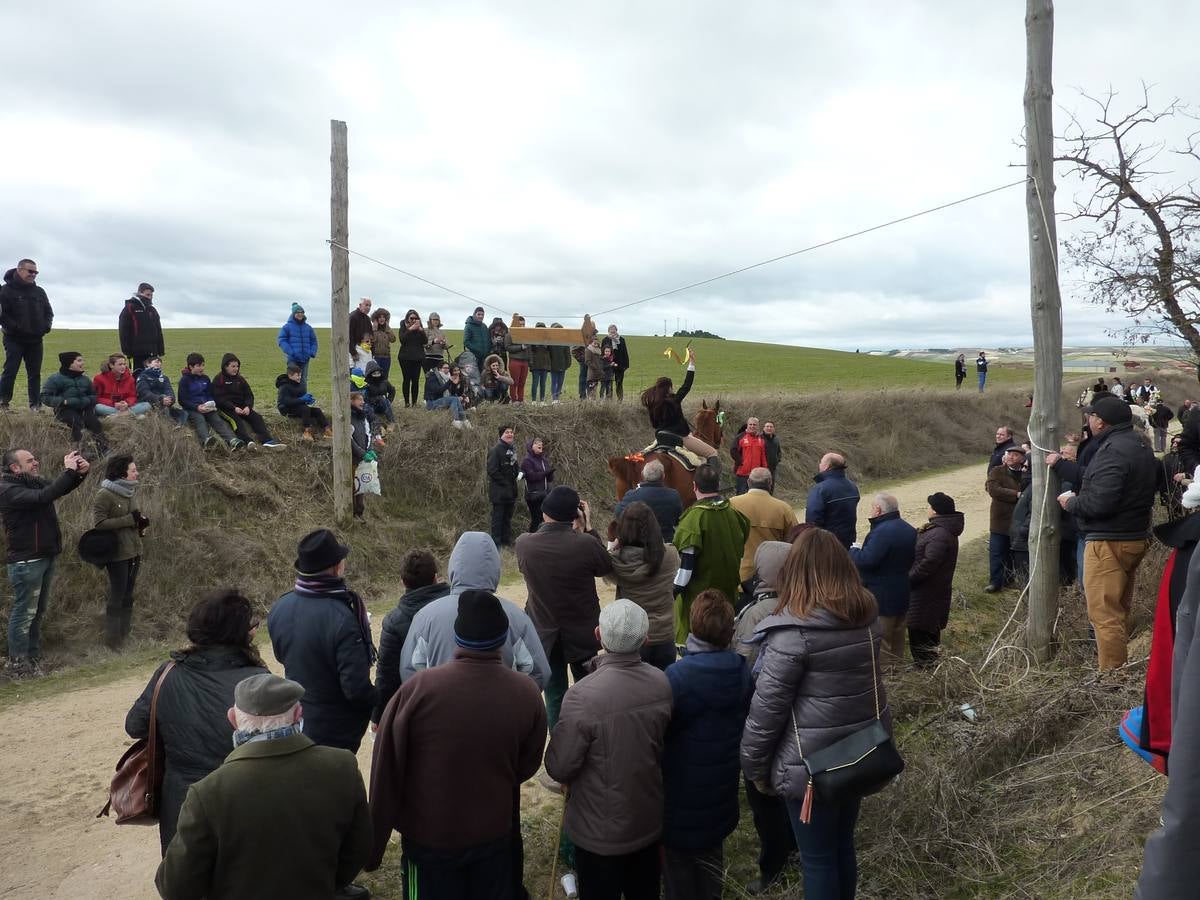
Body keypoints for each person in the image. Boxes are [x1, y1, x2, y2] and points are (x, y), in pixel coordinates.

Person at [741, 529, 893, 900]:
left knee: (818, 859)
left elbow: (766, 712)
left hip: (807, 768)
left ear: (795, 571)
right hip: (858, 752)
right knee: (842, 846)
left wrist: (755, 769)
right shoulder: (866, 618)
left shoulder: (791, 633)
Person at [368, 590, 548, 895]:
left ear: (457, 637)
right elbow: (527, 764)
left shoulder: (418, 690)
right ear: (503, 638)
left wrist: (373, 847)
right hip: (494, 833)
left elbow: (386, 768)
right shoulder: (526, 692)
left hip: (429, 840)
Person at [155, 673, 373, 900]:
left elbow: (175, 887)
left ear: (233, 719)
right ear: (298, 714)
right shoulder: (342, 767)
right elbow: (358, 849)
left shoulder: (208, 792)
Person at [544, 599, 673, 900]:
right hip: (647, 821)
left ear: (598, 635)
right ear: (646, 639)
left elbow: (560, 766)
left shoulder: (581, 695)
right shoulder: (662, 683)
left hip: (597, 835)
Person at [125, 590, 269, 853]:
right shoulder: (258, 680)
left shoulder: (167, 672)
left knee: (184, 871)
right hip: (242, 799)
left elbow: (135, 725)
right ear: (240, 634)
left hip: (182, 801)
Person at [661, 589, 752, 900]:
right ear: (730, 631)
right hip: (720, 789)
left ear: (692, 624)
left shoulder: (677, 676)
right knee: (711, 864)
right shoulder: (740, 670)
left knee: (678, 874)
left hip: (679, 796)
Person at [1057, 394, 1157, 670]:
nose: (1087, 419)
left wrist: (1071, 503)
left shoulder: (1113, 451)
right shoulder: (1138, 444)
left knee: (1104, 614)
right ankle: (1116, 668)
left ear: (1100, 422)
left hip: (1110, 541)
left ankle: (1112, 677)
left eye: (1090, 416)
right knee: (1118, 610)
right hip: (1134, 535)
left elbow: (1099, 503)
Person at [267, 529, 378, 752]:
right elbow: (355, 689)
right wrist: (383, 700)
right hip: (337, 729)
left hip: (298, 718)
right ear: (337, 567)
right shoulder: (342, 617)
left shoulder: (279, 607)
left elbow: (282, 656)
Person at [730, 540, 799, 896]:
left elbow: (743, 665)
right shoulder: (803, 602)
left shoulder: (756, 613)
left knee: (764, 797)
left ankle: (773, 866)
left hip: (761, 715)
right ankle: (797, 847)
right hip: (797, 718)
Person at [399, 531, 550, 688]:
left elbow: (410, 669)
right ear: (495, 567)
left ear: (454, 564)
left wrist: (430, 698)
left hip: (440, 701)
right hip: (501, 702)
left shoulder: (425, 616)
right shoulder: (517, 617)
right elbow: (538, 672)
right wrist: (515, 699)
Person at [516, 485, 613, 727]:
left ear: (544, 512)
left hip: (545, 631)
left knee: (555, 695)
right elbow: (605, 566)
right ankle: (589, 738)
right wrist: (587, 527)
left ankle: (559, 741)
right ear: (575, 514)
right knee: (587, 692)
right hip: (582, 631)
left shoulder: (524, 544)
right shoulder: (585, 544)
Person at [0, 447, 89, 676]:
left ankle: (32, 658)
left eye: (35, 459)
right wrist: (69, 472)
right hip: (26, 562)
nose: (36, 463)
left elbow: (57, 489)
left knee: (37, 611)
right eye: (30, 461)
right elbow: (44, 497)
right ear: (15, 467)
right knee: (24, 613)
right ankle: (17, 664)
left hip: (44, 556)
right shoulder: (8, 490)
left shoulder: (32, 482)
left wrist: (79, 474)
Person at [672, 465, 751, 645]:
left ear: (694, 486)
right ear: (718, 485)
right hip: (728, 597)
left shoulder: (693, 520)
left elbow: (686, 568)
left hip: (700, 603)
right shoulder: (735, 514)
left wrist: (674, 591)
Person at [372, 550, 447, 724]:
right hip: (454, 696)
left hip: (415, 704)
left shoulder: (393, 621)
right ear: (436, 577)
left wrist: (379, 715)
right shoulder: (456, 605)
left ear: (403, 582)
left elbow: (387, 675)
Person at [605, 500, 681, 670]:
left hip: (631, 636)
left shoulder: (615, 562)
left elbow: (601, 563)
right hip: (664, 635)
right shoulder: (670, 555)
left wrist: (612, 547)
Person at [850, 492, 918, 667]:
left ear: (878, 510)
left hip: (881, 594)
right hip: (903, 590)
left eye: (872, 507)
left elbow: (867, 561)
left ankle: (887, 677)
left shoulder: (881, 533)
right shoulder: (909, 529)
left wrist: (854, 551)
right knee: (898, 636)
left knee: (882, 639)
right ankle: (898, 673)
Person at [93, 454, 147, 648]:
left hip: (134, 549)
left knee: (129, 594)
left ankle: (125, 634)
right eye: (133, 470)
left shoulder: (130, 491)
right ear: (122, 473)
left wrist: (140, 523)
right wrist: (129, 520)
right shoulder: (104, 494)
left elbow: (133, 517)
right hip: (116, 553)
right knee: (117, 595)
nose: (136, 473)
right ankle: (113, 641)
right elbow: (99, 524)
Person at [907, 492, 964, 666]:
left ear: (935, 510)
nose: (928, 509)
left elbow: (929, 563)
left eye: (930, 506)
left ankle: (925, 667)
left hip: (927, 592)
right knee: (927, 628)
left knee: (921, 629)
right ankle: (928, 665)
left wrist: (909, 578)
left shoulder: (939, 535)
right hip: (933, 591)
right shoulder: (940, 530)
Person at [640, 348, 720, 465]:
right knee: (712, 453)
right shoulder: (674, 400)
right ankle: (708, 477)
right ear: (669, 388)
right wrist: (691, 363)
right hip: (679, 437)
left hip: (660, 438)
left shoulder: (653, 404)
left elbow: (655, 425)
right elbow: (686, 386)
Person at [731, 468, 798, 602]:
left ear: (748, 482)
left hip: (739, 577)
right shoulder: (783, 509)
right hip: (772, 580)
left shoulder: (732, 504)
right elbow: (795, 542)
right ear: (770, 483)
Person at [0, 258, 53, 410]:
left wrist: (46, 327)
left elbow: (48, 312)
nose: (33, 274)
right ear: (19, 270)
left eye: (36, 272)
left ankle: (35, 405)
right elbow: (3, 315)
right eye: (30, 271)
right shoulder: (5, 290)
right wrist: (16, 328)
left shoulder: (39, 291)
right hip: (14, 339)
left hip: (36, 339)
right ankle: (3, 403)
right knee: (10, 371)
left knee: (34, 373)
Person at [39, 351, 109, 454]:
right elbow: (45, 396)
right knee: (76, 423)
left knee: (95, 423)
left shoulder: (85, 379)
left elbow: (94, 395)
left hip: (84, 408)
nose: (83, 363)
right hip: (65, 410)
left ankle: (104, 449)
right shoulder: (55, 379)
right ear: (69, 363)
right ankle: (81, 451)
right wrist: (63, 401)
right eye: (79, 360)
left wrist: (88, 400)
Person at [212, 353, 286, 448]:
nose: (236, 369)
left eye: (237, 366)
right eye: (233, 366)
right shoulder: (218, 379)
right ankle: (247, 441)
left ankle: (267, 441)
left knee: (257, 418)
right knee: (237, 420)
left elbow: (249, 395)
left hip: (242, 407)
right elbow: (219, 399)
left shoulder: (240, 379)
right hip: (226, 408)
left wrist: (248, 406)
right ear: (225, 367)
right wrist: (233, 408)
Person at [177, 352, 240, 449]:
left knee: (217, 420)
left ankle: (232, 440)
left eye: (203, 365)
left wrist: (211, 403)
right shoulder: (184, 380)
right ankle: (206, 440)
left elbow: (209, 394)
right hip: (192, 408)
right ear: (191, 367)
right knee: (200, 419)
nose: (202, 368)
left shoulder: (205, 378)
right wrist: (197, 407)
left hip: (206, 407)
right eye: (199, 366)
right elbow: (182, 400)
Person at [613, 458, 684, 541]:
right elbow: (678, 520)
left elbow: (618, 513)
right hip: (665, 542)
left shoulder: (631, 495)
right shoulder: (674, 495)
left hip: (640, 543)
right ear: (663, 476)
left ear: (643, 475)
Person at [985, 446, 1025, 592]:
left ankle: (1010, 580)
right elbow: (994, 490)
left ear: (1022, 458)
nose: (1010, 457)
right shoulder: (997, 471)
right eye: (1009, 454)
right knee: (996, 552)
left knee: (1013, 553)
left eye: (1015, 455)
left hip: (1019, 520)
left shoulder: (1026, 473)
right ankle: (995, 582)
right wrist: (1016, 494)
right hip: (1000, 519)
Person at [804, 452, 860, 549]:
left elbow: (812, 520)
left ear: (827, 466)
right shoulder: (852, 487)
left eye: (821, 462)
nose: (819, 464)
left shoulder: (820, 489)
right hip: (848, 541)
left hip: (827, 544)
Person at [276, 364, 332, 441]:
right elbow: (286, 401)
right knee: (305, 409)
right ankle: (307, 432)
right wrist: (302, 400)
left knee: (317, 411)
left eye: (300, 375)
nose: (300, 377)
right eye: (297, 375)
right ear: (290, 376)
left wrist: (307, 400)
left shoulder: (298, 384)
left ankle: (327, 431)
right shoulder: (284, 387)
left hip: (297, 407)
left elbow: (298, 399)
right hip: (286, 409)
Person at [117, 282, 164, 371]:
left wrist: (160, 350)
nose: (149, 297)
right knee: (139, 375)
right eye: (147, 295)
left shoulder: (152, 310)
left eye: (151, 295)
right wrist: (127, 351)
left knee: (154, 375)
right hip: (138, 352)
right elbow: (124, 331)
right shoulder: (130, 308)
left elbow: (158, 330)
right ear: (139, 293)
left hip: (153, 351)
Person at [276, 302, 319, 392]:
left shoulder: (308, 328)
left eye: (302, 312)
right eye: (298, 312)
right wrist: (291, 352)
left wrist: (312, 352)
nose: (300, 314)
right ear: (293, 314)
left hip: (305, 358)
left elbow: (314, 341)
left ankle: (303, 398)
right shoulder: (287, 327)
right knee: (292, 379)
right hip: (293, 359)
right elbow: (282, 340)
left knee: (303, 380)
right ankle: (291, 397)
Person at [135, 354, 188, 426]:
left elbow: (169, 390)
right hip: (148, 404)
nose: (159, 363)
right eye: (156, 361)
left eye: (160, 362)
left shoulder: (164, 378)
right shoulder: (142, 377)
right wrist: (160, 399)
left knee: (183, 413)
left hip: (164, 403)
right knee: (164, 407)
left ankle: (179, 427)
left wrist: (170, 399)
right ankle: (167, 428)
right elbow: (144, 393)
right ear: (147, 364)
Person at [349, 392, 376, 520]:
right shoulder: (348, 417)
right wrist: (362, 453)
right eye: (359, 399)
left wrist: (370, 450)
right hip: (353, 459)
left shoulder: (363, 417)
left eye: (363, 399)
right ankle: (352, 513)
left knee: (362, 487)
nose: (363, 402)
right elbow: (350, 440)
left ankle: (360, 513)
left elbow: (368, 435)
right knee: (353, 487)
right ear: (351, 401)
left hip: (363, 459)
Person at [520, 436, 554, 532]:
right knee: (537, 519)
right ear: (531, 446)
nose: (540, 444)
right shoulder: (527, 461)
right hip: (533, 495)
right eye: (536, 443)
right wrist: (545, 473)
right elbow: (531, 477)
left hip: (545, 494)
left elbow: (549, 479)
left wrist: (550, 474)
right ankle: (531, 538)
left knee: (545, 520)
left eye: (541, 443)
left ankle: (542, 538)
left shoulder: (544, 460)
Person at [394, 308, 425, 407]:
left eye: (416, 318)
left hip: (418, 358)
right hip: (405, 357)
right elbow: (402, 340)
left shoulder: (420, 327)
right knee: (406, 379)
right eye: (411, 318)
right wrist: (410, 329)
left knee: (415, 380)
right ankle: (407, 402)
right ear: (407, 318)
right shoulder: (403, 326)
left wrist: (421, 331)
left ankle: (414, 402)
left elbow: (424, 341)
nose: (414, 320)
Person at [424, 360, 470, 428]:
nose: (447, 370)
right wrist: (449, 381)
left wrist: (454, 384)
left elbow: (452, 393)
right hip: (432, 402)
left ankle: (464, 421)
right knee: (454, 399)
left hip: (441, 400)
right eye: (445, 368)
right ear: (439, 369)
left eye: (448, 368)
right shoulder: (433, 377)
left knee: (455, 398)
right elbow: (438, 391)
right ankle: (456, 420)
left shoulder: (447, 377)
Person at [363, 359, 397, 429]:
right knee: (368, 408)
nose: (377, 375)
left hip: (383, 404)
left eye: (378, 373)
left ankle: (391, 421)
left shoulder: (385, 382)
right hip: (371, 406)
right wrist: (374, 399)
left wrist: (389, 401)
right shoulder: (366, 384)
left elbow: (392, 391)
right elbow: (365, 399)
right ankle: (377, 426)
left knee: (383, 399)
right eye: (374, 374)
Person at [601, 324, 630, 401]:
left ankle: (620, 400)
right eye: (611, 329)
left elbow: (625, 352)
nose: (612, 331)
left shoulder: (621, 340)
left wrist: (626, 365)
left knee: (619, 383)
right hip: (608, 365)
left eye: (614, 329)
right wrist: (603, 364)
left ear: (616, 330)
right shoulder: (605, 340)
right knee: (609, 383)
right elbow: (602, 353)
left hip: (619, 365)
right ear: (608, 331)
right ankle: (609, 400)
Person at [506, 313, 530, 404]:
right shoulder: (509, 335)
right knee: (514, 382)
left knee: (522, 382)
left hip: (525, 361)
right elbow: (508, 347)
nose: (522, 326)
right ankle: (513, 400)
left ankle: (521, 399)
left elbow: (529, 349)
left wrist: (530, 361)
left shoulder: (527, 335)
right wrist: (521, 347)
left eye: (523, 324)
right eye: (520, 324)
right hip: (515, 361)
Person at [367, 307, 397, 380]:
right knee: (375, 377)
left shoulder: (387, 329)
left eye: (383, 317)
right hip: (376, 357)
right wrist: (374, 329)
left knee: (385, 377)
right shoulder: (372, 329)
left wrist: (387, 328)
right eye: (380, 317)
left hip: (386, 358)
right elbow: (371, 340)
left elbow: (393, 339)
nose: (382, 319)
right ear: (376, 319)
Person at [548, 323, 571, 403]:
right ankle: (554, 399)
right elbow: (549, 355)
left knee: (560, 382)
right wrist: (549, 365)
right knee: (554, 382)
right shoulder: (550, 342)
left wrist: (568, 364)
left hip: (563, 366)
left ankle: (557, 398)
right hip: (553, 366)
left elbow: (567, 354)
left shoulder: (564, 342)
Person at [529, 323, 551, 404]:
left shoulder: (547, 339)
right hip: (535, 365)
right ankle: (533, 401)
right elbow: (530, 351)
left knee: (543, 384)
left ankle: (542, 400)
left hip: (544, 365)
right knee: (535, 383)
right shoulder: (532, 339)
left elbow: (550, 351)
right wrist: (531, 363)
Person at [762, 421, 782, 486]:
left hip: (772, 469)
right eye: (767, 426)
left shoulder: (776, 439)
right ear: (764, 428)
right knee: (762, 487)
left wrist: (777, 460)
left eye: (771, 427)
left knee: (771, 487)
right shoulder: (759, 438)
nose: (769, 428)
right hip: (761, 469)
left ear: (774, 429)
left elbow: (779, 452)